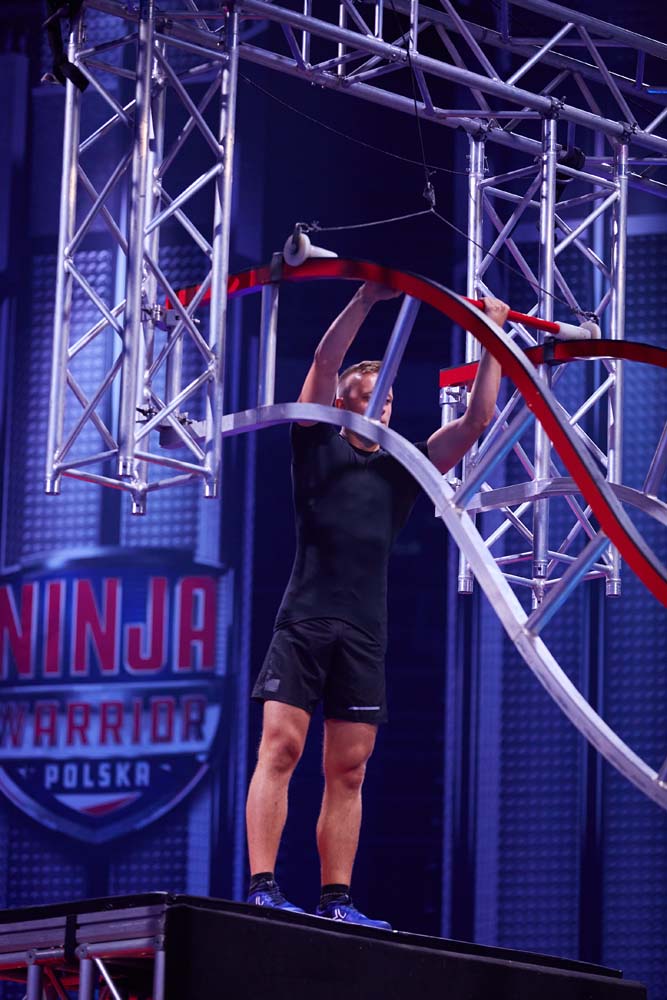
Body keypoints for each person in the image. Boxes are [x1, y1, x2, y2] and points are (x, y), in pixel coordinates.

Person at [245, 281, 509, 929]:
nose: (382, 402)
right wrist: (365, 300)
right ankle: (261, 887)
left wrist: (493, 336)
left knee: (350, 770)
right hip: (305, 620)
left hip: (364, 632)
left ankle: (336, 901)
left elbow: (476, 422)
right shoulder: (316, 440)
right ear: (344, 402)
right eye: (370, 394)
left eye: (388, 396)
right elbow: (324, 361)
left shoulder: (403, 465)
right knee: (280, 750)